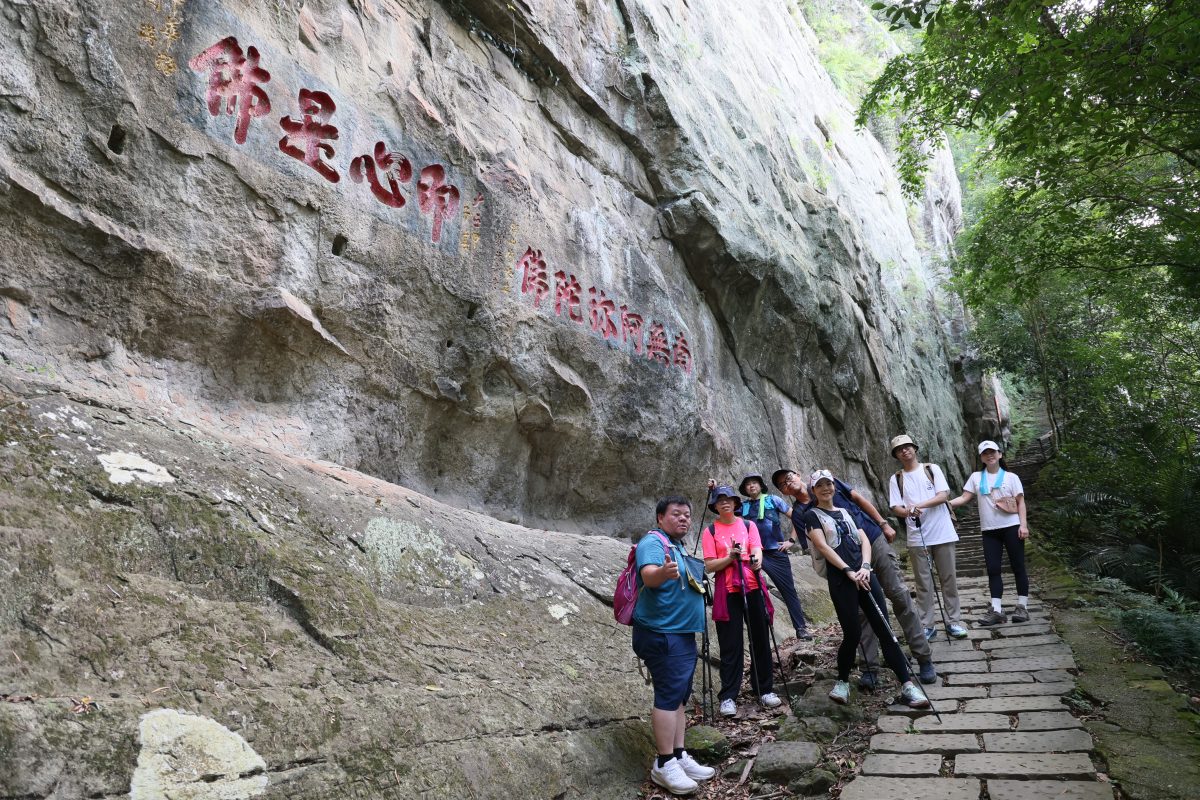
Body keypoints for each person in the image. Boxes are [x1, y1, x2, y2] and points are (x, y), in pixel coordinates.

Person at [773, 468, 938, 688]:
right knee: (862, 613)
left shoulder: (828, 482)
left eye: (789, 477)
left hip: (872, 539)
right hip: (848, 562)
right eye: (783, 484)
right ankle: (869, 667)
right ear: (783, 492)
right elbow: (816, 548)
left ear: (799, 475)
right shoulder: (801, 513)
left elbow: (858, 499)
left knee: (898, 593)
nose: (788, 483)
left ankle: (922, 656)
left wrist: (883, 523)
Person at [632, 495, 717, 795]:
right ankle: (663, 763)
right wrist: (662, 573)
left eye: (687, 515)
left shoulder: (678, 546)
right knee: (668, 695)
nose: (683, 519)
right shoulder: (653, 542)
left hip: (680, 634)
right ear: (660, 518)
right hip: (661, 633)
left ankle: (679, 755)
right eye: (676, 514)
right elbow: (649, 576)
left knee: (680, 695)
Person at [701, 484, 782, 717]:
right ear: (714, 506)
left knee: (760, 637)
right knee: (730, 643)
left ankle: (764, 689)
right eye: (719, 500)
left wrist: (755, 560)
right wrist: (729, 557)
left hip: (752, 585)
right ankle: (728, 696)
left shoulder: (748, 524)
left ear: (736, 503)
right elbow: (709, 565)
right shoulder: (711, 531)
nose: (725, 503)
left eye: (729, 499)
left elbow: (757, 549)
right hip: (727, 590)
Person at [887, 434, 969, 641]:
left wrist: (918, 506)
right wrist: (907, 512)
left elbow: (943, 495)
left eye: (907, 447)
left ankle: (953, 622)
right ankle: (927, 624)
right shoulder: (896, 478)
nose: (904, 451)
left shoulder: (932, 469)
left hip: (942, 532)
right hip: (917, 536)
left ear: (914, 448)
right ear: (896, 455)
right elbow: (895, 506)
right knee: (923, 582)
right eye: (900, 449)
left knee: (948, 579)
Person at [948, 440, 1032, 625]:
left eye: (993, 452)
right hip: (989, 530)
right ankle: (996, 610)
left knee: (1018, 567)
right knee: (993, 570)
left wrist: (1023, 525)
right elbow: (964, 498)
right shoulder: (976, 477)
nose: (990, 455)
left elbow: (1021, 503)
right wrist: (944, 503)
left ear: (1000, 454)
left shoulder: (1011, 477)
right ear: (981, 457)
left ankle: (1022, 607)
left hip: (1011, 526)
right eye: (985, 453)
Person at [738, 473, 813, 641]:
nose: (751, 486)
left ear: (760, 485)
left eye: (754, 483)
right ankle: (759, 634)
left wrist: (792, 540)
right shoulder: (742, 506)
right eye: (748, 484)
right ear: (744, 489)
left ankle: (801, 628)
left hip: (775, 552)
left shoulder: (773, 500)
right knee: (753, 592)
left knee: (788, 590)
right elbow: (721, 508)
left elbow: (797, 516)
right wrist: (714, 491)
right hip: (752, 553)